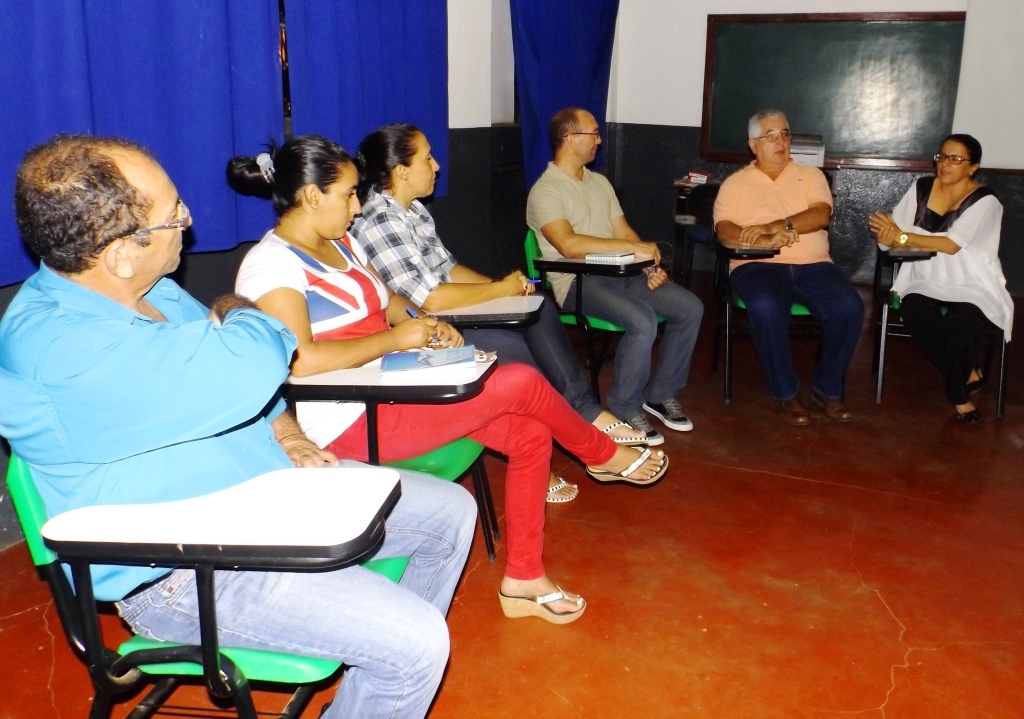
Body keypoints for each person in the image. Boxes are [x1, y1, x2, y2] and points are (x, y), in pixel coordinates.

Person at [0, 134, 478, 719]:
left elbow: (248, 387)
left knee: (451, 513)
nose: (189, 220)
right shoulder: (60, 347)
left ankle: (368, 658)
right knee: (417, 644)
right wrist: (240, 312)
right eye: (174, 213)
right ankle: (388, 653)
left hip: (265, 498)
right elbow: (261, 353)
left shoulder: (151, 292)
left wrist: (288, 433)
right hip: (183, 569)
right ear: (122, 252)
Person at [227, 135, 669, 625]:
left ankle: (523, 579)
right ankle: (600, 454)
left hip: (394, 389)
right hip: (349, 416)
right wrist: (395, 342)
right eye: (350, 194)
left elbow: (388, 301)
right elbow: (301, 362)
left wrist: (424, 323)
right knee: (519, 380)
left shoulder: (341, 243)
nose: (357, 207)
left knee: (528, 431)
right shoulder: (272, 266)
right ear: (312, 197)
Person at [350, 123, 652, 467]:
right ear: (402, 171)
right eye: (428, 158)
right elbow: (429, 299)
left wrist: (506, 293)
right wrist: (499, 290)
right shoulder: (381, 219)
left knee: (537, 308)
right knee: (518, 355)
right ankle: (557, 446)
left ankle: (583, 413)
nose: (436, 166)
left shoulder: (413, 211)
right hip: (423, 331)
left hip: (446, 315)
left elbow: (448, 269)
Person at [525, 108, 705, 438]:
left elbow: (623, 231)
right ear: (570, 139)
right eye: (592, 133)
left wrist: (650, 265)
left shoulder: (600, 182)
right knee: (641, 320)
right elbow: (568, 244)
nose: (599, 139)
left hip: (623, 273)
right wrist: (633, 251)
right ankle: (623, 405)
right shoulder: (546, 190)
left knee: (690, 308)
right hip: (578, 282)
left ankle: (660, 395)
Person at [714, 109, 863, 426]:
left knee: (849, 307)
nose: (780, 141)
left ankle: (828, 389)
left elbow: (820, 215)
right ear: (753, 144)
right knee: (767, 307)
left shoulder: (810, 175)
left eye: (785, 134)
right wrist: (764, 239)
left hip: (814, 265)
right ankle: (786, 393)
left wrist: (772, 226)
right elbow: (724, 230)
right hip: (757, 265)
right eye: (771, 135)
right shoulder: (735, 184)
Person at [868, 134, 1013, 423]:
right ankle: (964, 375)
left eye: (956, 159)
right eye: (942, 156)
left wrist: (904, 235)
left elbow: (951, 244)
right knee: (913, 310)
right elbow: (894, 234)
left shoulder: (986, 201)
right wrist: (888, 238)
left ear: (973, 167)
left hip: (970, 278)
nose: (946, 163)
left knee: (962, 319)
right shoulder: (920, 188)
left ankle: (958, 395)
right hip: (923, 272)